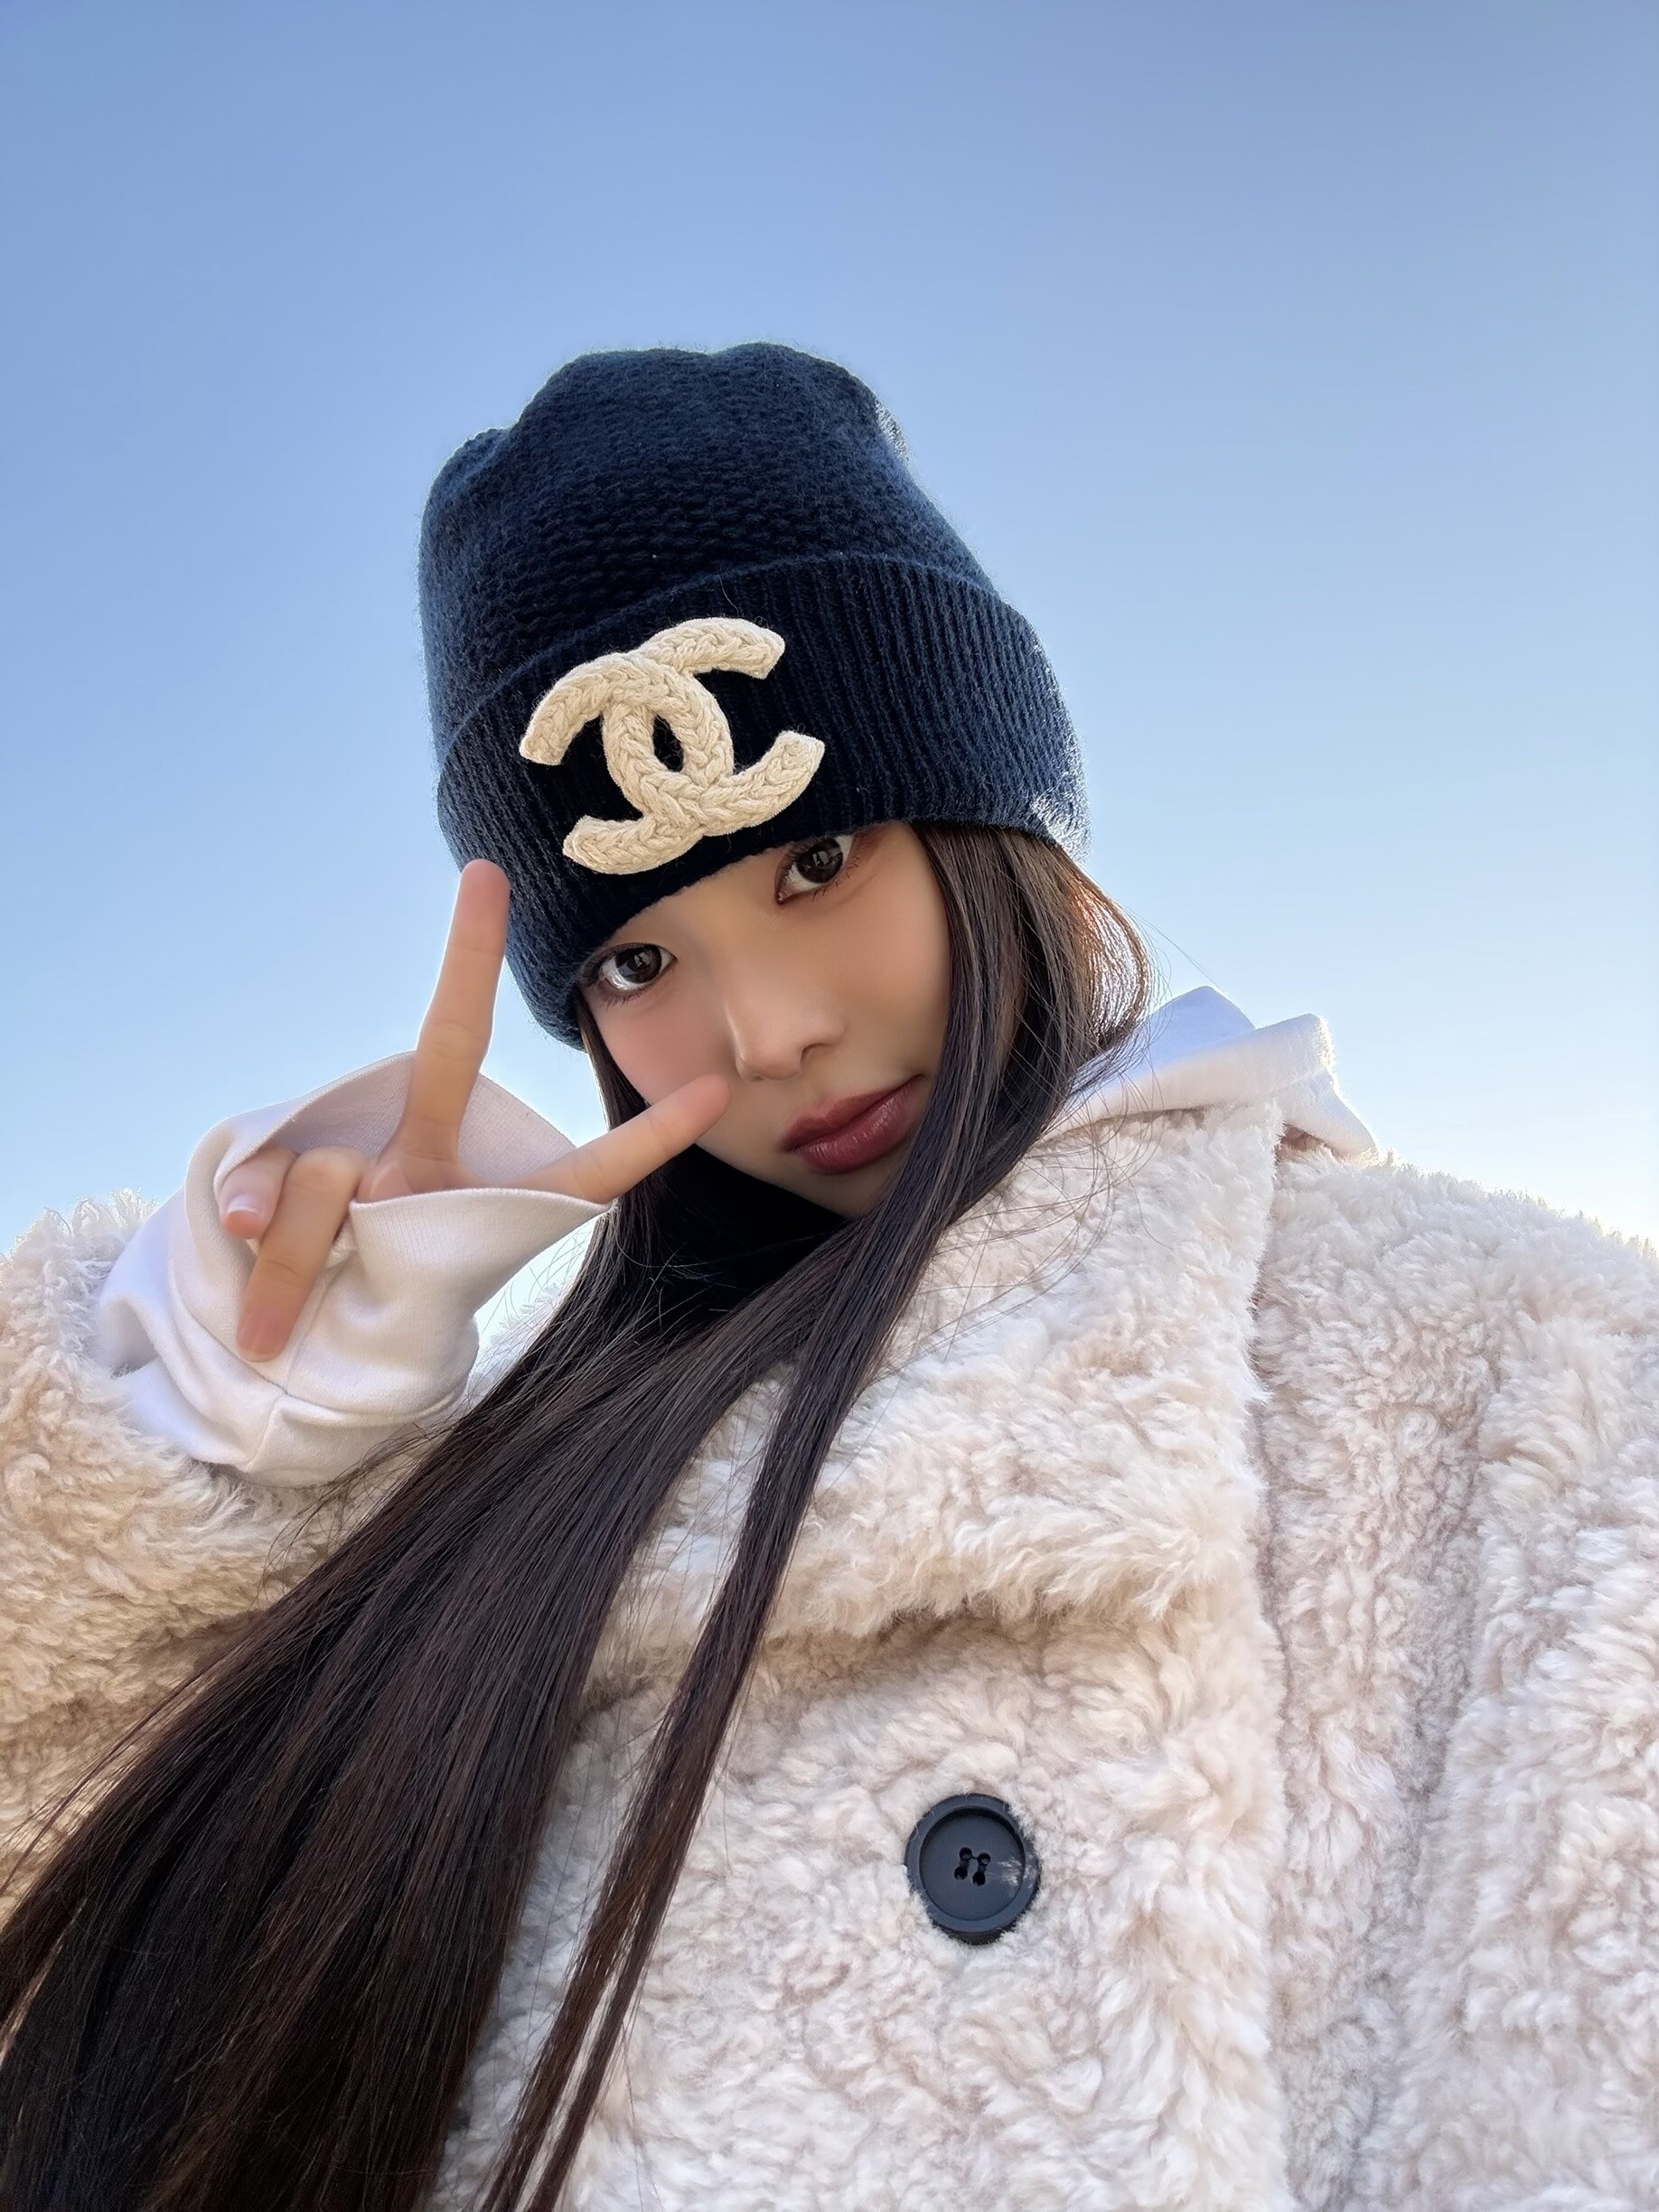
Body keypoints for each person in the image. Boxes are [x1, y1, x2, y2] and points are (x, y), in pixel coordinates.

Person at [0, 344, 1654, 2212]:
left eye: (820, 856)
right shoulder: (537, 1482)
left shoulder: (1530, 1376)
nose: (767, 1032)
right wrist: (216, 1425)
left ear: (1001, 821)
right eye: (637, 962)